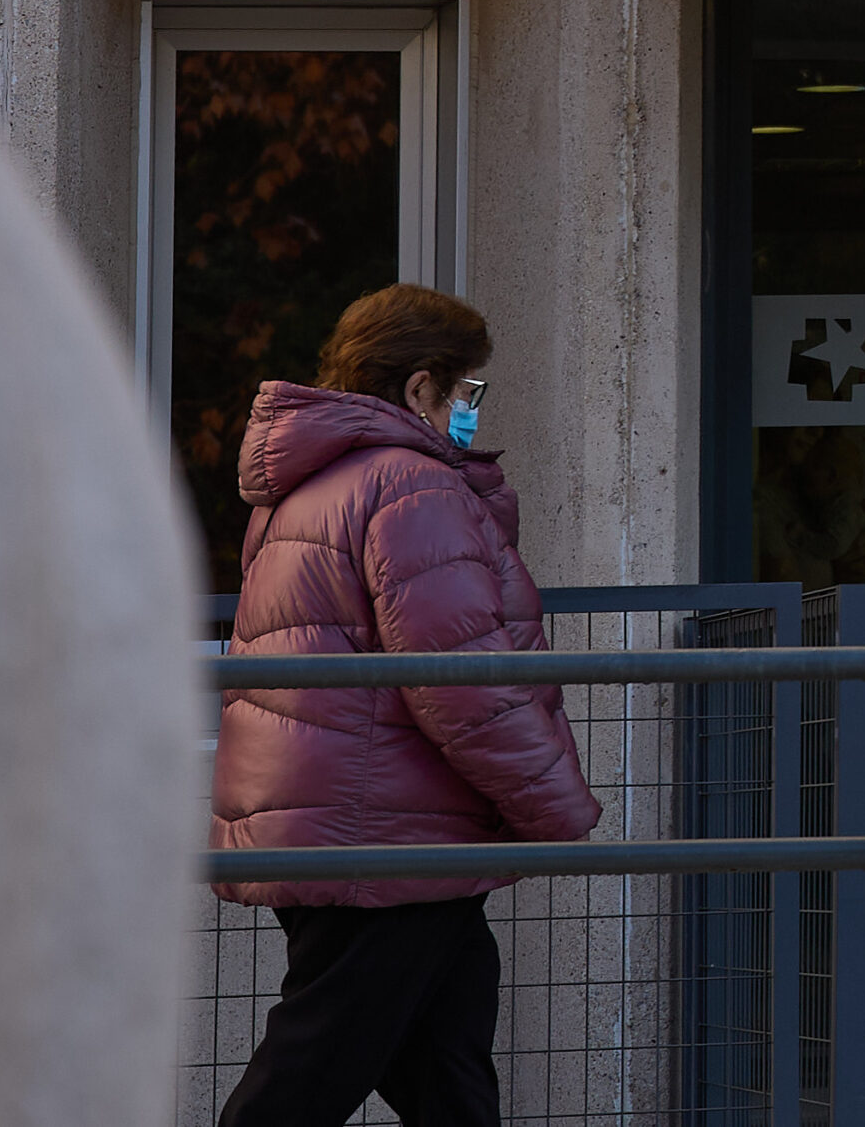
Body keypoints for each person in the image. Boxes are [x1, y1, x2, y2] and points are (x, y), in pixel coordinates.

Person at [210, 283, 601, 1127]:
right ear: (422, 385)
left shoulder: (312, 485)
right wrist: (555, 806)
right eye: (468, 388)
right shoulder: (411, 486)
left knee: (446, 1071)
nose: (472, 408)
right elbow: (460, 677)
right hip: (386, 835)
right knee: (308, 1076)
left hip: (356, 823)